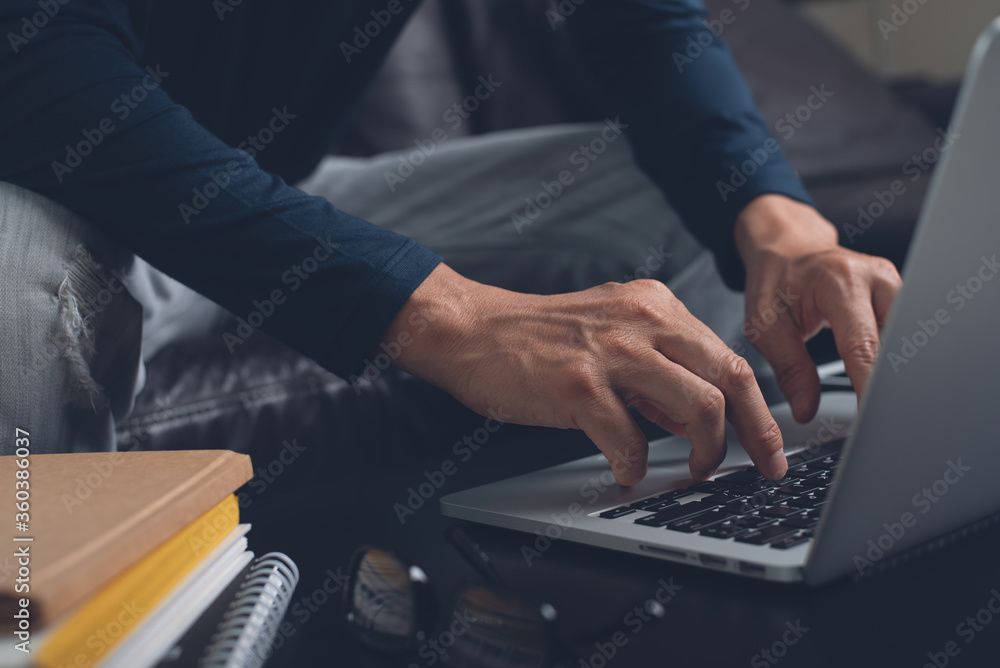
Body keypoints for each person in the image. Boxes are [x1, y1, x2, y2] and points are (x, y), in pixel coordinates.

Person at [0, 0, 900, 485]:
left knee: (663, 200)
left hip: (265, 172)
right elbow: (42, 64)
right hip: (45, 185)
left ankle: (684, 520)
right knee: (13, 298)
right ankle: (49, 629)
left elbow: (642, 26)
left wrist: (779, 218)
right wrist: (448, 314)